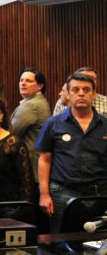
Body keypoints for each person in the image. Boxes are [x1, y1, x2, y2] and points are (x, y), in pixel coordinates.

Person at [37, 72, 107, 231]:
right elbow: (44, 159)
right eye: (75, 90)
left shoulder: (105, 125)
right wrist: (44, 194)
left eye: (86, 90)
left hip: (99, 194)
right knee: (61, 245)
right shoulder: (53, 124)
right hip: (63, 193)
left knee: (98, 246)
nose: (81, 93)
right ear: (67, 94)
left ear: (94, 94)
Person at [10, 67, 51, 192]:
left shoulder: (31, 105)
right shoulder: (38, 102)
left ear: (40, 86)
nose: (23, 83)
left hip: (30, 166)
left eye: (28, 81)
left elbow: (10, 134)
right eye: (21, 80)